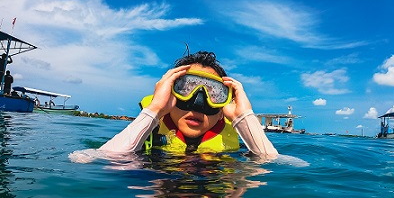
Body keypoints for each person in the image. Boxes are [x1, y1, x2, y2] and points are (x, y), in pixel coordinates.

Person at [98, 51, 278, 156]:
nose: (198, 103)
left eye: (214, 93)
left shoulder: (229, 133)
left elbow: (275, 166)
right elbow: (87, 159)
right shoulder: (151, 123)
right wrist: (154, 110)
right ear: (169, 93)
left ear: (223, 109)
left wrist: (244, 116)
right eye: (185, 88)